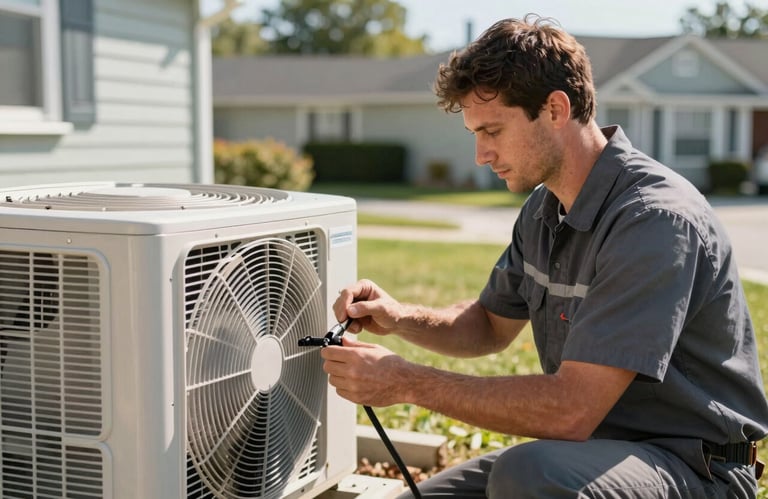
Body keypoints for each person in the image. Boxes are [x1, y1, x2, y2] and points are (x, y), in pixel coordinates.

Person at [321, 15, 768, 498]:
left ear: (556, 109)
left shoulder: (654, 221)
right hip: (592, 453)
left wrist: (407, 382)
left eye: (492, 130)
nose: (481, 154)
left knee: (530, 474)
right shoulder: (544, 208)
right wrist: (399, 316)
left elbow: (570, 410)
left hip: (696, 469)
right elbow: (488, 326)